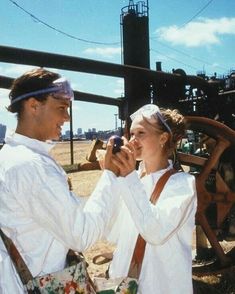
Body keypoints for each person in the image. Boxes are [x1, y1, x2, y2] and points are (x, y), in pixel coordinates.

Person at [0, 68, 120, 293]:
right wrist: (111, 176)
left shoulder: (9, 155)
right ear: (33, 106)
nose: (67, 117)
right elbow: (81, 235)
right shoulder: (31, 166)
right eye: (61, 108)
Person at [105, 104, 197, 294]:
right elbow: (112, 234)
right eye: (131, 134)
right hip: (123, 285)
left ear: (163, 138)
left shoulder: (183, 185)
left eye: (141, 133)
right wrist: (111, 177)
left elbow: (155, 232)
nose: (132, 140)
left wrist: (128, 178)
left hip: (161, 286)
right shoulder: (133, 179)